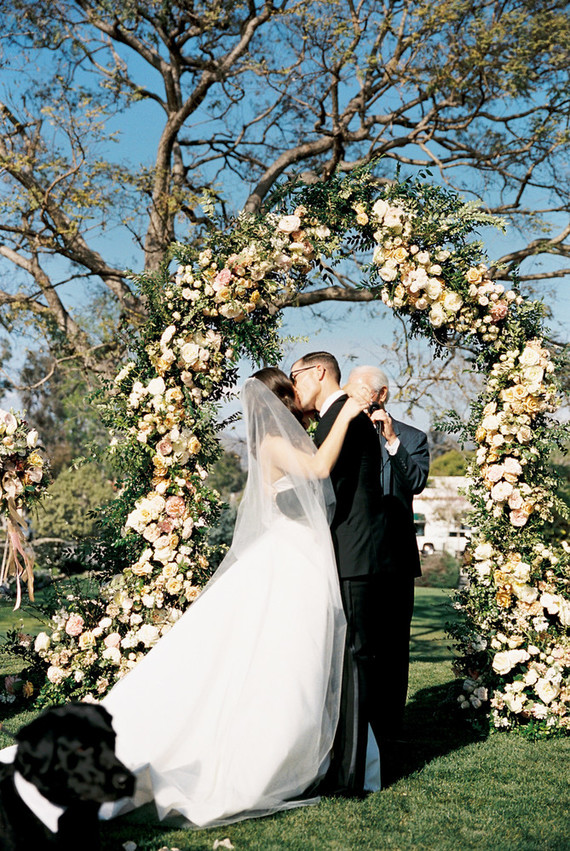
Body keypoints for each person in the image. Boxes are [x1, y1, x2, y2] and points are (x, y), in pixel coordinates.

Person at [88, 367, 367, 828]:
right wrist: (348, 413)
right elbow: (319, 469)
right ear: (284, 400)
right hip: (290, 562)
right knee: (285, 657)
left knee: (289, 656)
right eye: (294, 392)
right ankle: (265, 758)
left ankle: (291, 749)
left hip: (301, 557)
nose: (302, 398)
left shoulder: (284, 441)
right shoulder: (274, 444)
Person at [289, 351, 387, 795]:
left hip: (354, 555)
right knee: (344, 660)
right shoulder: (333, 419)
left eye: (295, 376)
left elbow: (326, 489)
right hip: (345, 554)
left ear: (318, 372)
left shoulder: (343, 420)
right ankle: (347, 763)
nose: (294, 388)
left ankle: (351, 776)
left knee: (352, 660)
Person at [345, 364, 429, 780]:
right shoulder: (344, 435)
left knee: (393, 646)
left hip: (395, 559)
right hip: (356, 557)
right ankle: (355, 727)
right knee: (360, 645)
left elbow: (415, 482)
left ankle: (390, 728)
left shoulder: (412, 438)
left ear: (380, 395)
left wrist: (392, 440)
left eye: (361, 392)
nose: (355, 399)